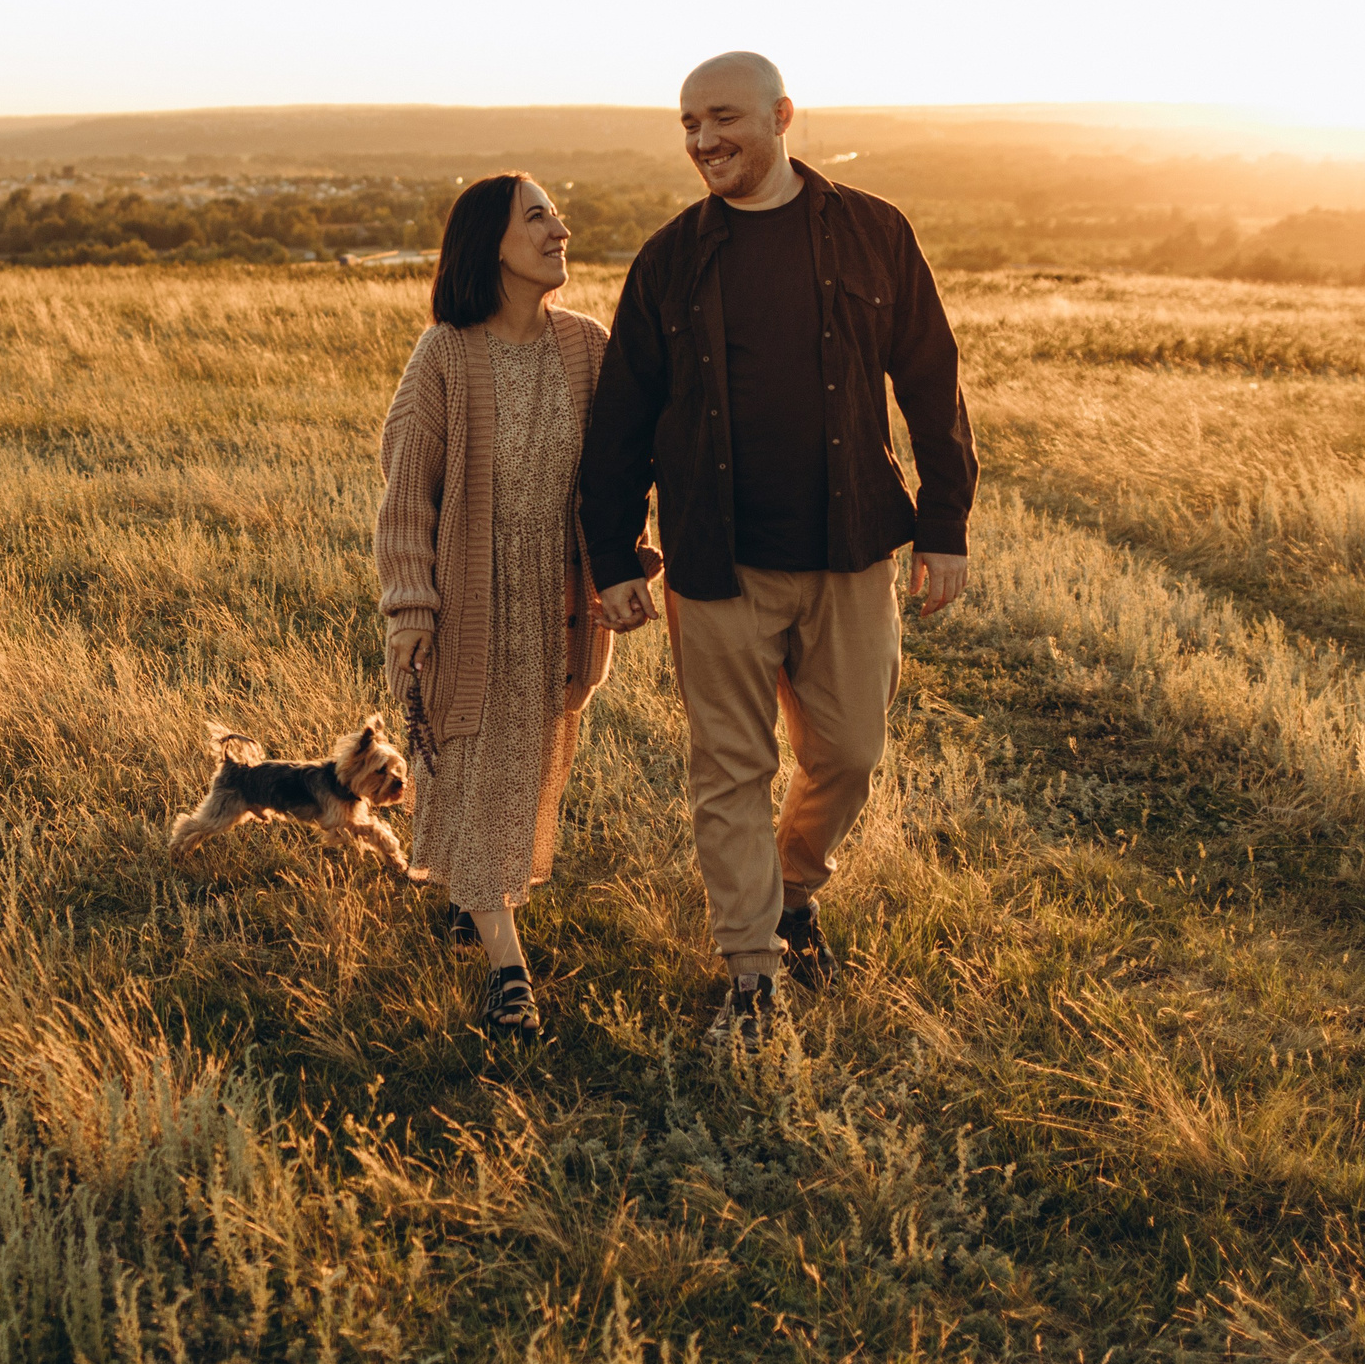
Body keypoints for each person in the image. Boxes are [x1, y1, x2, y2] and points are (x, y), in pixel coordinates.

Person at [579, 52, 978, 1041]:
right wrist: (614, 552)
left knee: (846, 753)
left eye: (721, 118)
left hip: (849, 552)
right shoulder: (670, 259)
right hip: (715, 565)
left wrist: (945, 525)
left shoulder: (874, 232)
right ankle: (750, 972)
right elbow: (623, 418)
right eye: (687, 124)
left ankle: (793, 889)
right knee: (728, 768)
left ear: (782, 116)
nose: (703, 140)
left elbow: (930, 378)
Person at [377, 174, 658, 1044]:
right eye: (537, 217)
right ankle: (509, 974)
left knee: (519, 766)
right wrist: (412, 609)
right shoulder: (445, 356)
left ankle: (472, 898)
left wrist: (625, 563)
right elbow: (405, 497)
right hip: (468, 598)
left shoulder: (587, 346)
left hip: (556, 599)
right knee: (471, 763)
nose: (559, 228)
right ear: (490, 244)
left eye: (555, 214)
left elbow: (620, 473)